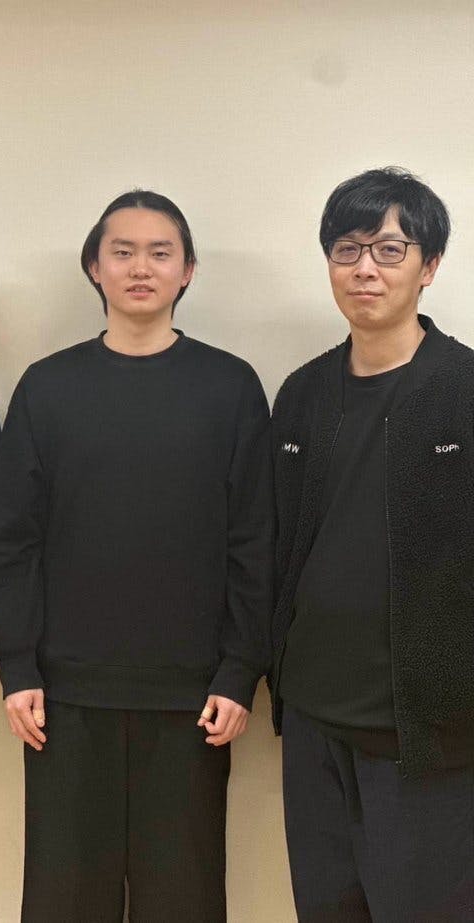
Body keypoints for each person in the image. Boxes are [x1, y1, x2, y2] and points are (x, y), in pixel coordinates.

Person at [0, 190, 273, 922]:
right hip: (63, 698)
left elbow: (253, 541)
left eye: (160, 252)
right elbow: (12, 540)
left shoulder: (231, 386)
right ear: (95, 267)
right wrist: (17, 665)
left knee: (183, 902)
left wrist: (240, 670)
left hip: (195, 700)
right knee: (64, 902)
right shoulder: (48, 387)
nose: (141, 267)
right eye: (123, 251)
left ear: (187, 271)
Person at [271, 167, 474, 921]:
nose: (365, 268)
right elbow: (277, 545)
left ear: (430, 266)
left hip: (429, 729)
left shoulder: (464, 389)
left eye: (390, 250)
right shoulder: (302, 394)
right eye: (348, 249)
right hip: (313, 719)